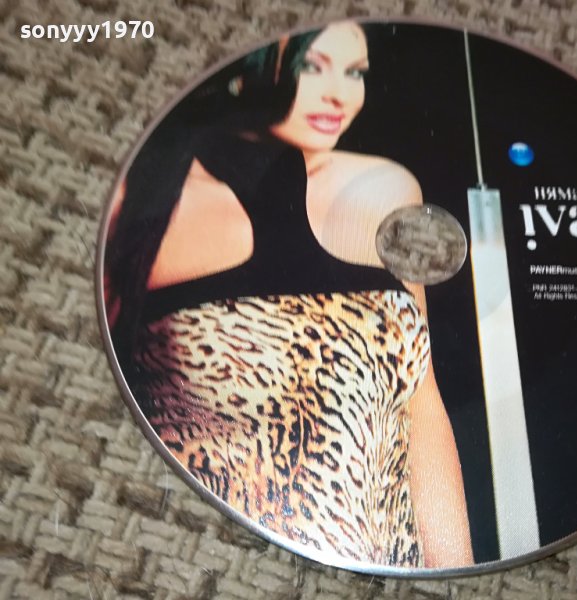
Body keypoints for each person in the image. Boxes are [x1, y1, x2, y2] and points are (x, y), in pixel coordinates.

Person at [104, 21, 473, 568]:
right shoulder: (148, 201)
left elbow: (421, 401)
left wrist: (456, 575)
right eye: (311, 67)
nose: (339, 95)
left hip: (382, 563)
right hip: (211, 559)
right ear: (245, 71)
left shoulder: (387, 191)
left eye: (355, 72)